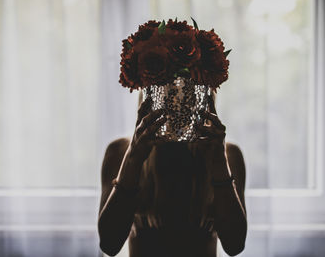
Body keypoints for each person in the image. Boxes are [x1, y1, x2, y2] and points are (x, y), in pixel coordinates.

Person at [98, 91, 247, 257]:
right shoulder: (120, 153)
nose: (178, 98)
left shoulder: (227, 155)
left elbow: (235, 244)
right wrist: (133, 158)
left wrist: (219, 162)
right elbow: (109, 243)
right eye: (169, 88)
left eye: (188, 87)